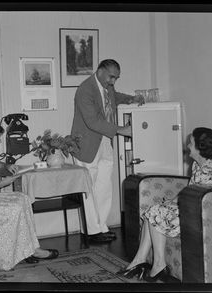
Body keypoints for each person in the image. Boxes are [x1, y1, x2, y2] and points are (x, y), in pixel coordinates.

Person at [117, 127, 212, 282]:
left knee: (156, 213)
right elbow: (191, 193)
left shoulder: (208, 174)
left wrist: (174, 205)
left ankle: (158, 264)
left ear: (199, 147)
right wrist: (173, 201)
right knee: (154, 209)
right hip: (192, 210)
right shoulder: (199, 165)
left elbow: (202, 204)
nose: (188, 146)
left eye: (191, 143)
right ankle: (140, 260)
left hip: (199, 220)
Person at [0, 120, 59, 272]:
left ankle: (32, 249)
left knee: (23, 199)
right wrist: (2, 184)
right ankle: (12, 254)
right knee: (15, 208)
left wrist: (7, 166)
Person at [70, 59, 145, 243]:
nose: (113, 82)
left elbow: (113, 97)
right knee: (88, 190)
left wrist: (132, 99)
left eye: (116, 78)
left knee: (103, 187)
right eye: (111, 77)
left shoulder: (107, 86)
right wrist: (122, 130)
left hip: (104, 142)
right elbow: (92, 121)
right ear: (100, 71)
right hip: (86, 145)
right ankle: (91, 232)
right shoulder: (85, 90)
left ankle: (100, 227)